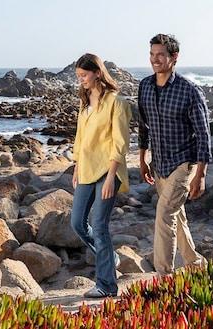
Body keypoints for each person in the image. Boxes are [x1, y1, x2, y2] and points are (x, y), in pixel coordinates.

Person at [137, 34, 210, 275]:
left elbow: (203, 135)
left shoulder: (189, 91)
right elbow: (144, 126)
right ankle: (196, 264)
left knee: (164, 215)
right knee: (177, 218)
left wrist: (200, 174)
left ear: (174, 57)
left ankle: (163, 276)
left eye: (160, 55)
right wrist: (142, 159)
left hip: (182, 163)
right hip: (159, 164)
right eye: (152, 54)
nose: (154, 59)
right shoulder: (145, 86)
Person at [70, 53, 132, 298]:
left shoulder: (116, 102)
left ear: (97, 72)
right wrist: (76, 166)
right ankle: (111, 257)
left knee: (99, 224)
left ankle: (107, 286)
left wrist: (110, 177)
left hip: (108, 171)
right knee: (77, 223)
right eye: (78, 76)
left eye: (84, 75)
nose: (81, 80)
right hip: (86, 169)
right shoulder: (85, 103)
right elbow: (80, 138)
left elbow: (120, 141)